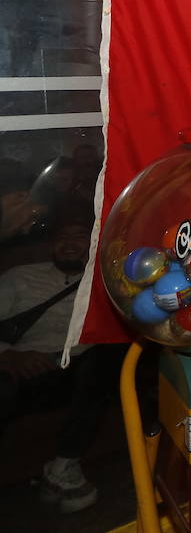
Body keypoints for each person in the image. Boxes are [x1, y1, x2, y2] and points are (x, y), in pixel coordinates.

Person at [0, 200, 119, 513]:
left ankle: (63, 466)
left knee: (105, 359)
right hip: (21, 367)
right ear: (51, 244)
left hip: (78, 367)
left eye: (79, 237)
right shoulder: (18, 277)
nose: (69, 244)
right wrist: (10, 357)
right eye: (63, 237)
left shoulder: (102, 281)